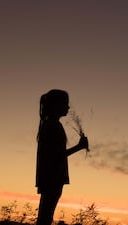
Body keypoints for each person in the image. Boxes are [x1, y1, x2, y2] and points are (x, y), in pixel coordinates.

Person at [36, 89, 88, 225]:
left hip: (49, 177)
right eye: (65, 103)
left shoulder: (48, 124)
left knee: (45, 216)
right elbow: (57, 155)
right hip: (53, 177)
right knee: (45, 217)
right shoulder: (53, 126)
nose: (68, 107)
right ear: (56, 105)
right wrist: (79, 147)